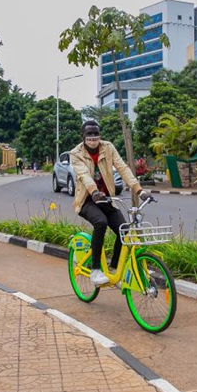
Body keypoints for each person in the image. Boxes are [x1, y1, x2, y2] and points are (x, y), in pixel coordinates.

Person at [70, 120, 150, 286]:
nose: (93, 137)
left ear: (100, 134)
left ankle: (114, 269)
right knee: (101, 222)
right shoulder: (76, 153)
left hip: (107, 199)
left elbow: (123, 168)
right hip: (87, 200)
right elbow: (83, 175)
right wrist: (94, 192)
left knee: (125, 231)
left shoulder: (108, 147)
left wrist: (139, 190)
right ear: (83, 136)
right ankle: (96, 270)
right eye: (89, 134)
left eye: (95, 134)